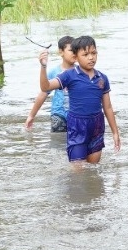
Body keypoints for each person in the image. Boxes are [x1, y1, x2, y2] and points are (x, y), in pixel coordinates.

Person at [38, 35, 121, 164]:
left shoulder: (102, 78)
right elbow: (46, 87)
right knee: (78, 170)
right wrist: (43, 67)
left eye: (94, 53)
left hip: (97, 126)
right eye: (86, 54)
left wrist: (115, 132)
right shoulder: (69, 75)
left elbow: (108, 107)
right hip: (77, 126)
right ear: (76, 57)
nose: (91, 57)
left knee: (92, 170)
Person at [25, 35, 75, 132]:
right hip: (58, 114)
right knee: (58, 139)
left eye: (76, 50)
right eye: (71, 50)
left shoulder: (80, 71)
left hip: (76, 115)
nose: (74, 53)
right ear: (61, 52)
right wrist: (31, 116)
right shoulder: (54, 72)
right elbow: (43, 93)